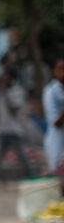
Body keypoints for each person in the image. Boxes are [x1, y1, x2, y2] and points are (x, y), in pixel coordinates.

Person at [0, 68, 34, 193]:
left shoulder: (17, 91)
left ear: (11, 78)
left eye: (6, 77)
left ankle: (32, 180)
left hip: (14, 131)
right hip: (2, 130)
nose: (4, 79)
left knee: (22, 158)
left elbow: (13, 110)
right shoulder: (1, 91)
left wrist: (5, 93)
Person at [45, 56, 64, 194]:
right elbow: (55, 122)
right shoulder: (50, 92)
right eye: (61, 69)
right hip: (57, 143)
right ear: (54, 71)